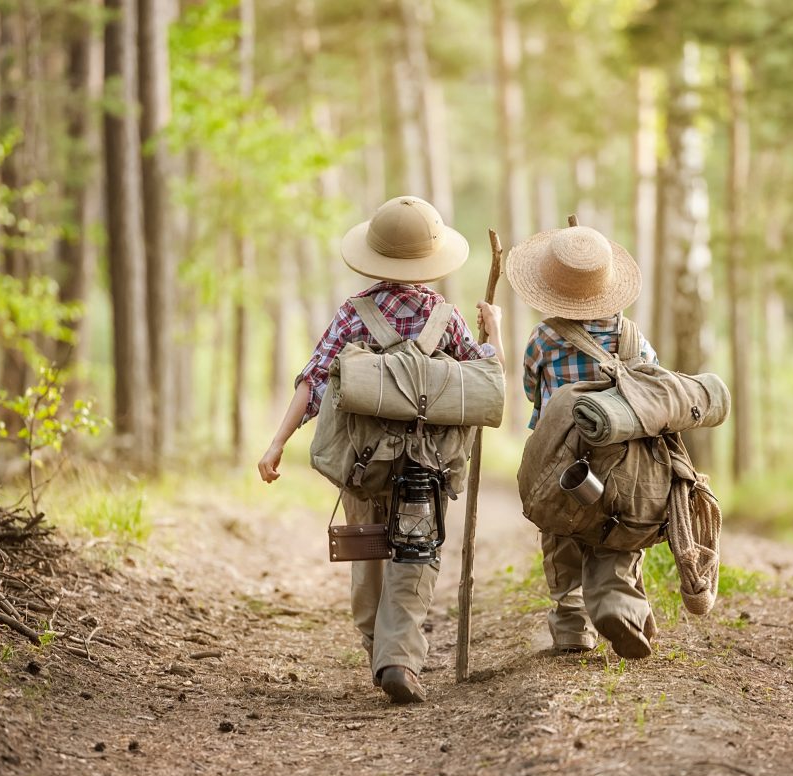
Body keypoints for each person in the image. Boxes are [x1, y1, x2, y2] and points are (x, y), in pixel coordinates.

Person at [258, 196, 504, 703]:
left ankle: (376, 641)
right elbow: (484, 383)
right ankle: (398, 658)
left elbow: (313, 382)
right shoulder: (447, 318)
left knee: (368, 550)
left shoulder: (354, 313)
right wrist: (494, 333)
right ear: (430, 261)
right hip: (426, 465)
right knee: (416, 555)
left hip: (361, 462)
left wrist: (277, 442)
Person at [504, 224, 659, 658]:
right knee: (620, 530)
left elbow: (533, 393)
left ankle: (572, 623)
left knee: (562, 531)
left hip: (563, 458)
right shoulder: (634, 339)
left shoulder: (543, 339)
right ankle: (616, 603)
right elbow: (651, 385)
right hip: (624, 458)